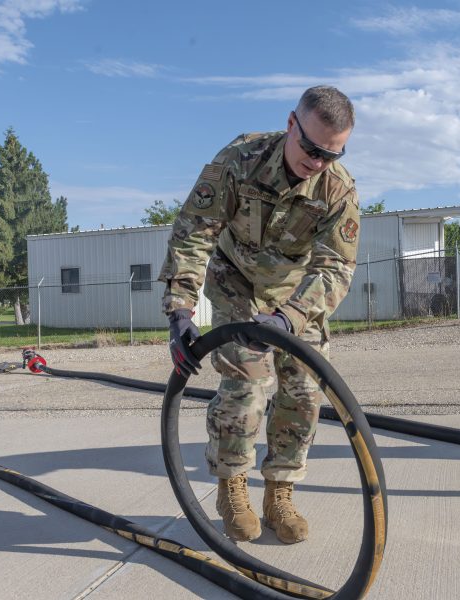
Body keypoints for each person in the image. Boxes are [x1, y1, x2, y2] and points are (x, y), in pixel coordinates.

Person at [159, 86, 359, 543]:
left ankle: (280, 491)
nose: (318, 162)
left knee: (305, 393)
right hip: (237, 283)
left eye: (333, 153)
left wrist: (289, 318)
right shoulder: (240, 159)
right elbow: (193, 233)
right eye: (311, 149)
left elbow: (336, 267)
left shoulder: (337, 188)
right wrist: (181, 310)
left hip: (297, 296)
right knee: (247, 387)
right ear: (291, 124)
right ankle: (232, 485)